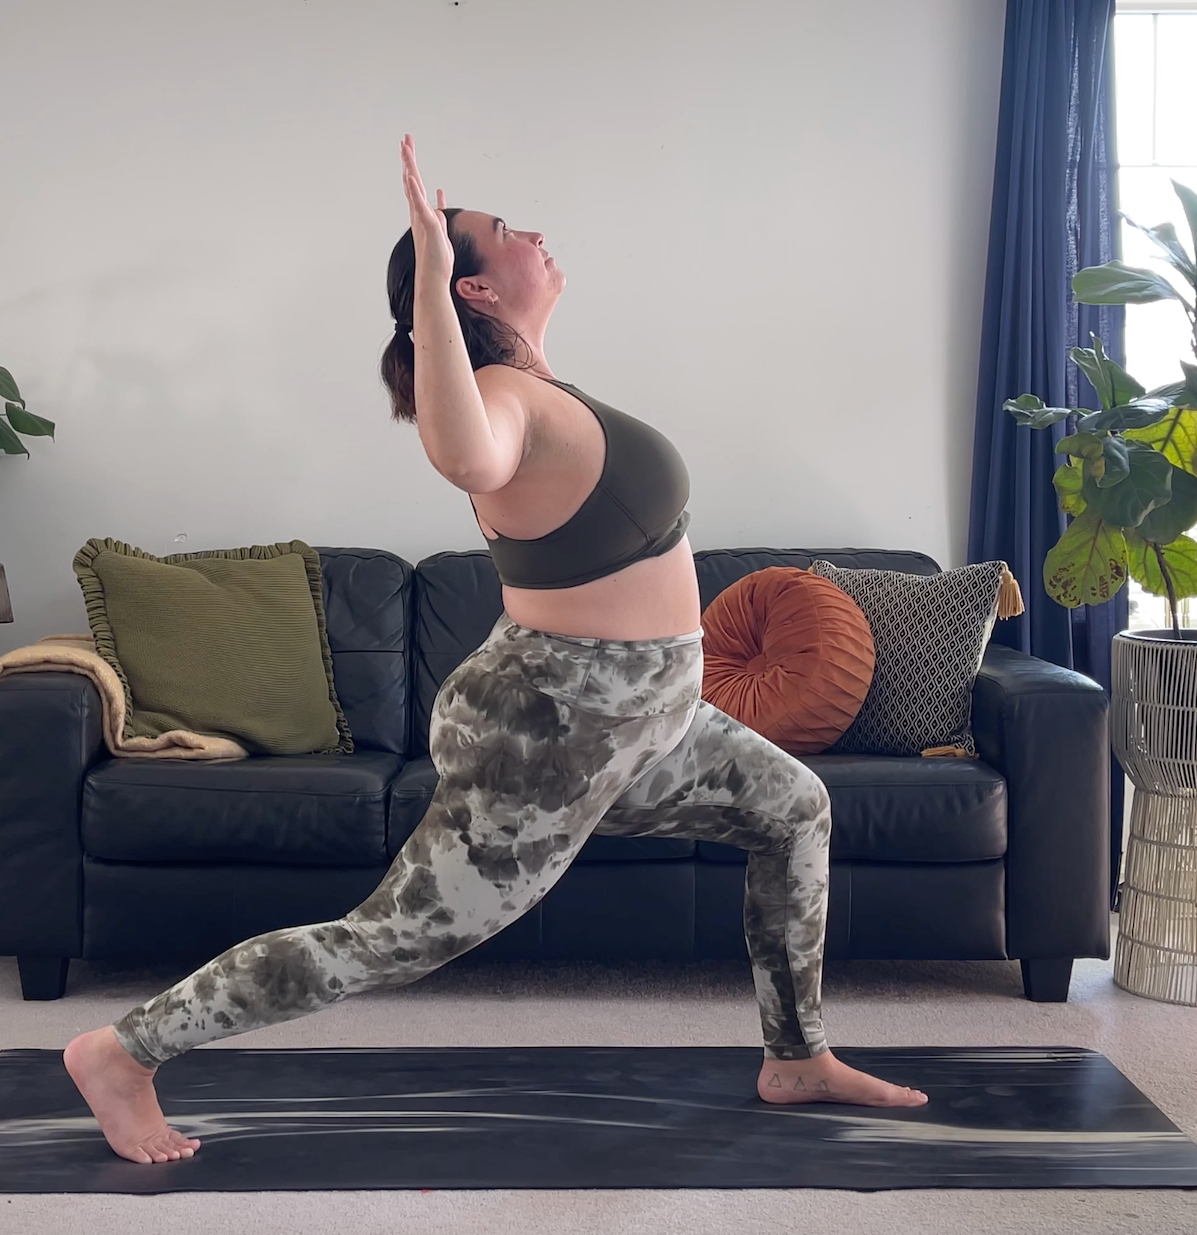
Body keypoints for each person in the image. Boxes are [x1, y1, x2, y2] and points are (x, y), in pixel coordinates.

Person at [62, 133, 925, 1164]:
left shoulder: (543, 388)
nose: (538, 234)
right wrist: (426, 267)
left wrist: (442, 279)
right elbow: (461, 451)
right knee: (393, 940)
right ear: (470, 288)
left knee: (793, 808)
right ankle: (126, 1051)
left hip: (652, 719)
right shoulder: (500, 405)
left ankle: (796, 1057)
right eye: (508, 232)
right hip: (550, 730)